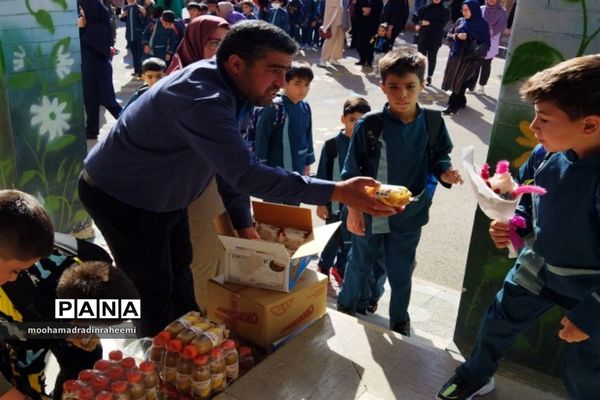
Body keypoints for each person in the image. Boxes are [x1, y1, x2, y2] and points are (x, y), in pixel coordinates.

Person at [78, 20, 395, 338]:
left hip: (166, 191)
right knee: (153, 286)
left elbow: (229, 165)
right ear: (236, 63)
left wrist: (243, 220)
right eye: (274, 70)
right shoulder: (203, 99)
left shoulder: (237, 89)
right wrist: (337, 191)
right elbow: (247, 174)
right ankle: (160, 361)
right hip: (120, 194)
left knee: (180, 270)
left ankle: (186, 339)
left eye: (286, 71)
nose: (282, 83)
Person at [437, 54, 600, 400]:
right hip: (539, 267)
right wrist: (516, 226)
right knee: (497, 323)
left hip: (590, 287)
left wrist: (590, 316)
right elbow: (529, 198)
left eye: (544, 118)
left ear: (590, 125)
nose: (533, 127)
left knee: (586, 365)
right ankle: (475, 376)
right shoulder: (545, 154)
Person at [337, 48, 463, 336]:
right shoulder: (369, 125)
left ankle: (399, 320)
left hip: (410, 212)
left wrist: (445, 170)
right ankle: (347, 306)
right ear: (382, 87)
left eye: (410, 87)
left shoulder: (432, 122)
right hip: (369, 211)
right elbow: (350, 172)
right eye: (393, 87)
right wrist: (353, 211)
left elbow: (439, 155)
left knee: (400, 271)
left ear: (422, 85)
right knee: (358, 263)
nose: (402, 94)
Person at [0, 190, 138, 400]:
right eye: (16, 270)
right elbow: (22, 378)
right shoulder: (21, 311)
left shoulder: (95, 257)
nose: (85, 334)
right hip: (22, 327)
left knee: (86, 359)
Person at [164, 14, 231, 313]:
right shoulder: (180, 81)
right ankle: (205, 324)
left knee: (223, 250)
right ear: (194, 42)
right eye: (212, 43)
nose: (219, 51)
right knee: (202, 255)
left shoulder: (223, 80)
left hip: (216, 178)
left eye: (224, 43)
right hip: (188, 186)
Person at [315, 97, 386, 312]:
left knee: (349, 246)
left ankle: (341, 272)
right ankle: (323, 269)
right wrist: (321, 202)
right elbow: (322, 176)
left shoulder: (370, 144)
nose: (357, 125)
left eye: (361, 120)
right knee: (331, 242)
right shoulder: (331, 146)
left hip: (356, 209)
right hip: (335, 206)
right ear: (343, 119)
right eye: (352, 119)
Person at [255, 62, 315, 178]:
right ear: (285, 83)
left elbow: (308, 136)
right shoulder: (273, 108)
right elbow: (261, 139)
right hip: (275, 169)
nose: (303, 89)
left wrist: (307, 162)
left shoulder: (305, 106)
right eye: (297, 84)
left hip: (299, 164)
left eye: (307, 84)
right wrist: (262, 168)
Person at [78, 0, 123, 140]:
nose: (80, 15)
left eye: (81, 11)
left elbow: (91, 42)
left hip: (99, 67)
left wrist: (82, 28)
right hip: (88, 68)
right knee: (89, 99)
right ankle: (91, 130)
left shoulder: (98, 27)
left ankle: (131, 124)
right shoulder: (92, 24)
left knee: (108, 100)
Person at [441, 0, 490, 114]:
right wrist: (457, 36)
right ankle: (462, 101)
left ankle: (452, 106)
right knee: (457, 82)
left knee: (461, 81)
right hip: (456, 57)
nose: (464, 12)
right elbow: (449, 35)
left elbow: (486, 42)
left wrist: (470, 40)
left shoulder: (482, 25)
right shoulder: (460, 21)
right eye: (463, 10)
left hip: (470, 59)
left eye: (467, 10)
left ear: (474, 10)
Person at [470, 0, 507, 94]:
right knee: (475, 64)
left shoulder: (502, 11)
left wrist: (489, 30)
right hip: (479, 40)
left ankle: (481, 86)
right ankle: (471, 86)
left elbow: (500, 25)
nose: (491, 0)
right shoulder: (481, 9)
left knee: (486, 64)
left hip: (492, 40)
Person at [412, 0, 450, 86]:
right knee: (420, 58)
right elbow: (415, 17)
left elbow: (441, 24)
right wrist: (418, 23)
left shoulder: (445, 10)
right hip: (423, 37)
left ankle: (429, 76)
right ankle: (419, 76)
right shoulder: (425, 8)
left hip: (435, 38)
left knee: (432, 57)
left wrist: (428, 23)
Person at [317, 0, 350, 66]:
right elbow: (329, 7)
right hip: (333, 18)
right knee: (331, 38)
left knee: (340, 39)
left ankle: (334, 58)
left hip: (342, 16)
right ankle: (323, 59)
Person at [120, 0, 148, 77]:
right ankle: (136, 70)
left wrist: (144, 13)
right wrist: (122, 16)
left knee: (139, 54)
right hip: (130, 35)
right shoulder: (126, 8)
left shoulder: (139, 8)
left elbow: (144, 21)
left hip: (138, 34)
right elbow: (123, 19)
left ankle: (141, 71)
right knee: (134, 54)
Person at [352, 0, 383, 68]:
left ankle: (369, 61)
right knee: (361, 42)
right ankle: (362, 59)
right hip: (362, 25)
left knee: (371, 43)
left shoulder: (378, 1)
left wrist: (370, 11)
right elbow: (356, 10)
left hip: (372, 26)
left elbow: (379, 11)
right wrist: (363, 10)